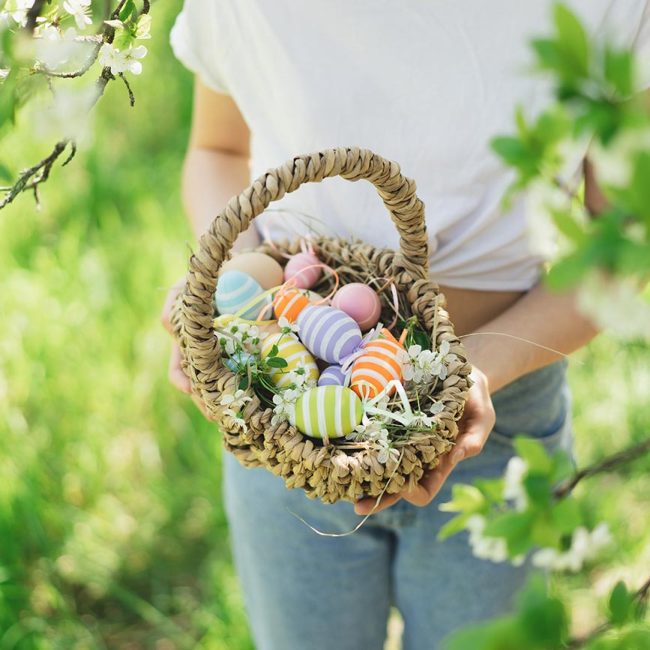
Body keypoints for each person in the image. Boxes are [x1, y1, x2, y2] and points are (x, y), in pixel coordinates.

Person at [161, 2, 649, 648]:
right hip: (283, 418)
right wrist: (228, 291)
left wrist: (471, 371)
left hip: (502, 417)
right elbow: (217, 147)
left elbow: (621, 236)